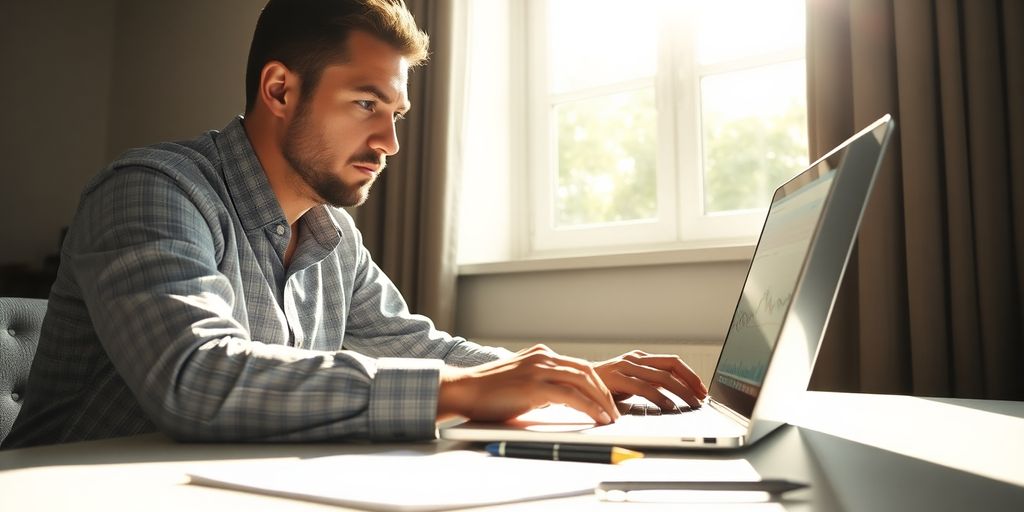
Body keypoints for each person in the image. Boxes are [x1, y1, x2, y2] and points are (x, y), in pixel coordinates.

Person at [3, 0, 706, 448]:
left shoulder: (331, 232)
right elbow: (196, 377)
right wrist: (460, 392)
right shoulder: (152, 191)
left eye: (395, 114)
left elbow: (413, 344)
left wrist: (564, 378)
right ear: (280, 89)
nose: (390, 143)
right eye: (367, 104)